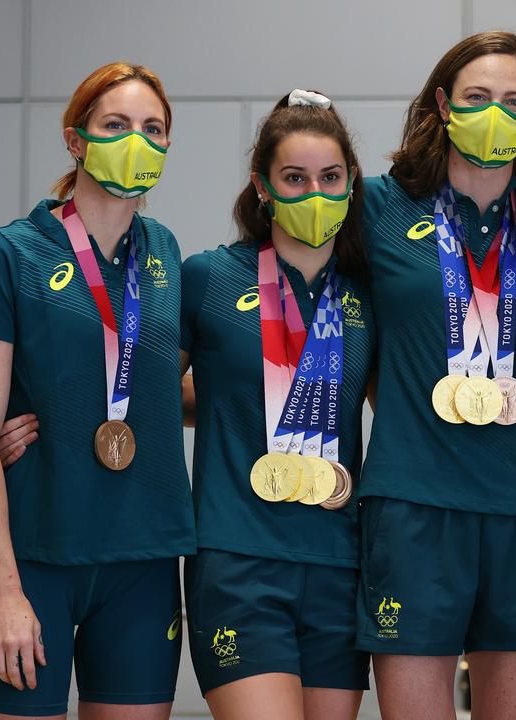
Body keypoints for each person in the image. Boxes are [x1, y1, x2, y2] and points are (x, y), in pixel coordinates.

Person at [354, 31, 516, 720]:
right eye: (478, 98)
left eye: (514, 101)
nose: (497, 114)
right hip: (413, 506)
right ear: (442, 105)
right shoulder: (375, 208)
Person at [0, 62, 194, 719]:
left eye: (153, 129)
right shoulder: (6, 255)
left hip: (144, 560)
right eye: (116, 125)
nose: (137, 140)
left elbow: (154, 387)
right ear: (75, 140)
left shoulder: (167, 254)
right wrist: (2, 589)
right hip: (36, 559)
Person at [178, 90, 375, 720]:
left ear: (351, 185)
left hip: (339, 560)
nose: (313, 193)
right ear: (263, 187)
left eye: (329, 177)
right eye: (294, 178)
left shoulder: (372, 297)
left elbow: (405, 406)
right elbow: (138, 394)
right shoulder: (209, 278)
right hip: (239, 560)